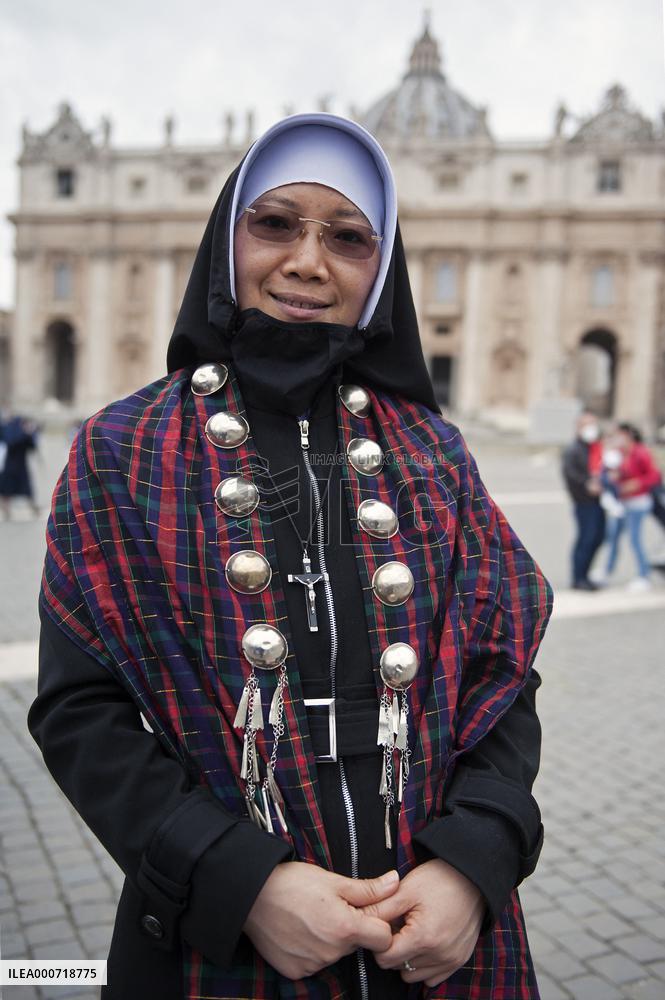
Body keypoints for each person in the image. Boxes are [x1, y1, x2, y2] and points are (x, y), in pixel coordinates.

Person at [29, 114, 553, 999]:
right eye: (274, 225)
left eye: (347, 238)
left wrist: (472, 860)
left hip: (430, 934)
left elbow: (502, 682)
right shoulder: (121, 450)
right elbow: (83, 715)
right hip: (224, 934)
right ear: (223, 239)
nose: (308, 263)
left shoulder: (435, 453)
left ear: (380, 270)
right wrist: (239, 878)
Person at [600, 423, 661, 591]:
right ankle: (606, 572)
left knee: (635, 540)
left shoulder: (641, 452)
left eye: (620, 435)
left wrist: (637, 483)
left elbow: (654, 476)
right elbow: (606, 474)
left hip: (638, 503)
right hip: (620, 504)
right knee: (613, 539)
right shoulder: (616, 455)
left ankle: (644, 575)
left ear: (628, 436)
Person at [561, 412, 605, 590]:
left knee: (598, 538)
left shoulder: (594, 447)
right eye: (587, 425)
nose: (591, 428)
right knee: (586, 539)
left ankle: (586, 575)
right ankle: (578, 578)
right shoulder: (573, 449)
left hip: (599, 501)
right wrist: (587, 485)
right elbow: (571, 475)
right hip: (584, 501)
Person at [0, 412, 40, 519]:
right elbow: (11, 442)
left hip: (21, 465)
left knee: (27, 489)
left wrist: (29, 434)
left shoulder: (24, 433)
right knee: (6, 489)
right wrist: (24, 434)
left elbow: (32, 446)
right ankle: (6, 510)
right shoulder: (10, 430)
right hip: (9, 464)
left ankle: (34, 509)